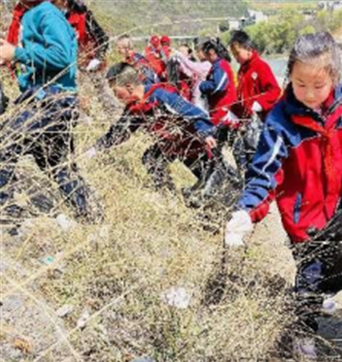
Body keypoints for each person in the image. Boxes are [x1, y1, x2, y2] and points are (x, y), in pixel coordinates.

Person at [224, 32, 342, 358]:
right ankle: (303, 333)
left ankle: (318, 299)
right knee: (309, 271)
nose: (309, 94)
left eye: (319, 85)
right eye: (300, 84)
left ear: (334, 77)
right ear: (289, 75)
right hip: (302, 214)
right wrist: (247, 211)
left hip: (339, 205)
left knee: (340, 261)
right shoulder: (281, 121)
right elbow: (265, 172)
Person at [0, 0, 100, 224]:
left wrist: (17, 53)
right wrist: (12, 55)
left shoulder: (46, 13)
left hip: (50, 99)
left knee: (5, 144)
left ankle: (5, 211)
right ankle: (92, 215)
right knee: (57, 164)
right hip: (52, 99)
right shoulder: (34, 13)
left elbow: (61, 56)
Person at [87, 63, 218, 195]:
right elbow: (118, 132)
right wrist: (95, 149)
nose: (115, 95)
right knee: (151, 159)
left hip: (196, 144)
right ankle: (167, 194)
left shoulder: (160, 96)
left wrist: (206, 134)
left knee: (214, 182)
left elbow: (195, 114)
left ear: (129, 87)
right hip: (173, 145)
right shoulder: (134, 109)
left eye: (115, 91)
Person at [229, 30, 281, 122]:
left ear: (248, 49)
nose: (236, 58)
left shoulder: (261, 66)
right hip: (247, 121)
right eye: (234, 55)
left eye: (237, 53)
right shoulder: (241, 70)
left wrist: (260, 103)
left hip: (263, 120)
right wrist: (232, 110)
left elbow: (275, 90)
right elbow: (240, 97)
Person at [54, 0, 109, 72]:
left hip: (91, 64)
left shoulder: (84, 17)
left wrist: (97, 59)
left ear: (65, 2)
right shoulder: (62, 17)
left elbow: (103, 38)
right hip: (73, 62)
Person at [198, 37, 238, 127]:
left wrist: (203, 86)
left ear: (211, 52)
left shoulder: (220, 66)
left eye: (206, 55)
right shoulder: (218, 65)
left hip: (223, 111)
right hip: (218, 109)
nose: (206, 59)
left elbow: (218, 86)